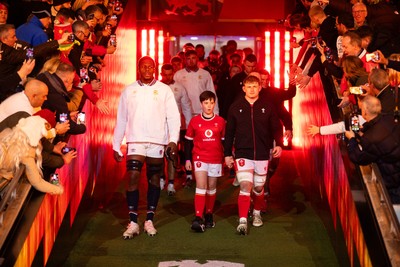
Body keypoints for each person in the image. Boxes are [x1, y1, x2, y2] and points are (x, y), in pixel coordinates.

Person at [113, 56, 180, 239]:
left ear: (155, 68)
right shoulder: (129, 90)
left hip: (157, 140)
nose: (148, 69)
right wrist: (116, 144)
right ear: (139, 68)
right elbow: (121, 119)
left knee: (154, 178)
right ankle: (133, 221)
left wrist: (173, 140)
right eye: (144, 67)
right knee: (133, 175)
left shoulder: (164, 90)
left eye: (151, 66)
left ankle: (149, 219)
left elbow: (173, 117)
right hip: (135, 140)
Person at [224, 75, 283, 235]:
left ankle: (256, 213)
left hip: (263, 153)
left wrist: (279, 144)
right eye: (248, 86)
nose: (251, 89)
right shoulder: (235, 107)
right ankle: (242, 220)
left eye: (254, 86)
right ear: (243, 88)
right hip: (243, 153)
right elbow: (229, 132)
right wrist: (227, 154)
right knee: (245, 185)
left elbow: (276, 127)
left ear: (260, 88)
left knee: (258, 187)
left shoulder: (268, 106)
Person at [345, 95, 400, 204]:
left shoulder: (370, 139)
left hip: (394, 181)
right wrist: (364, 130)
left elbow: (358, 157)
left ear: (365, 112)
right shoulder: (390, 118)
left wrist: (351, 139)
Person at [184, 91, 225, 232]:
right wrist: (188, 159)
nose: (209, 106)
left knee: (211, 187)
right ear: (201, 104)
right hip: (199, 157)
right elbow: (188, 142)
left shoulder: (220, 121)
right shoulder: (194, 121)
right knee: (201, 185)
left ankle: (208, 214)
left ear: (215, 103)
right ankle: (198, 216)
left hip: (215, 158)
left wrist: (227, 157)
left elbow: (225, 141)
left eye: (211, 103)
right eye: (206, 103)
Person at [159, 63, 193, 195]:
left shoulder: (180, 88)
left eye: (170, 74)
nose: (167, 77)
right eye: (165, 74)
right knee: (160, 155)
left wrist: (189, 125)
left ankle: (171, 184)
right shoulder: (157, 87)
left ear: (173, 73)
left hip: (173, 126)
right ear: (161, 74)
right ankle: (162, 180)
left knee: (172, 154)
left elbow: (186, 107)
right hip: (158, 127)